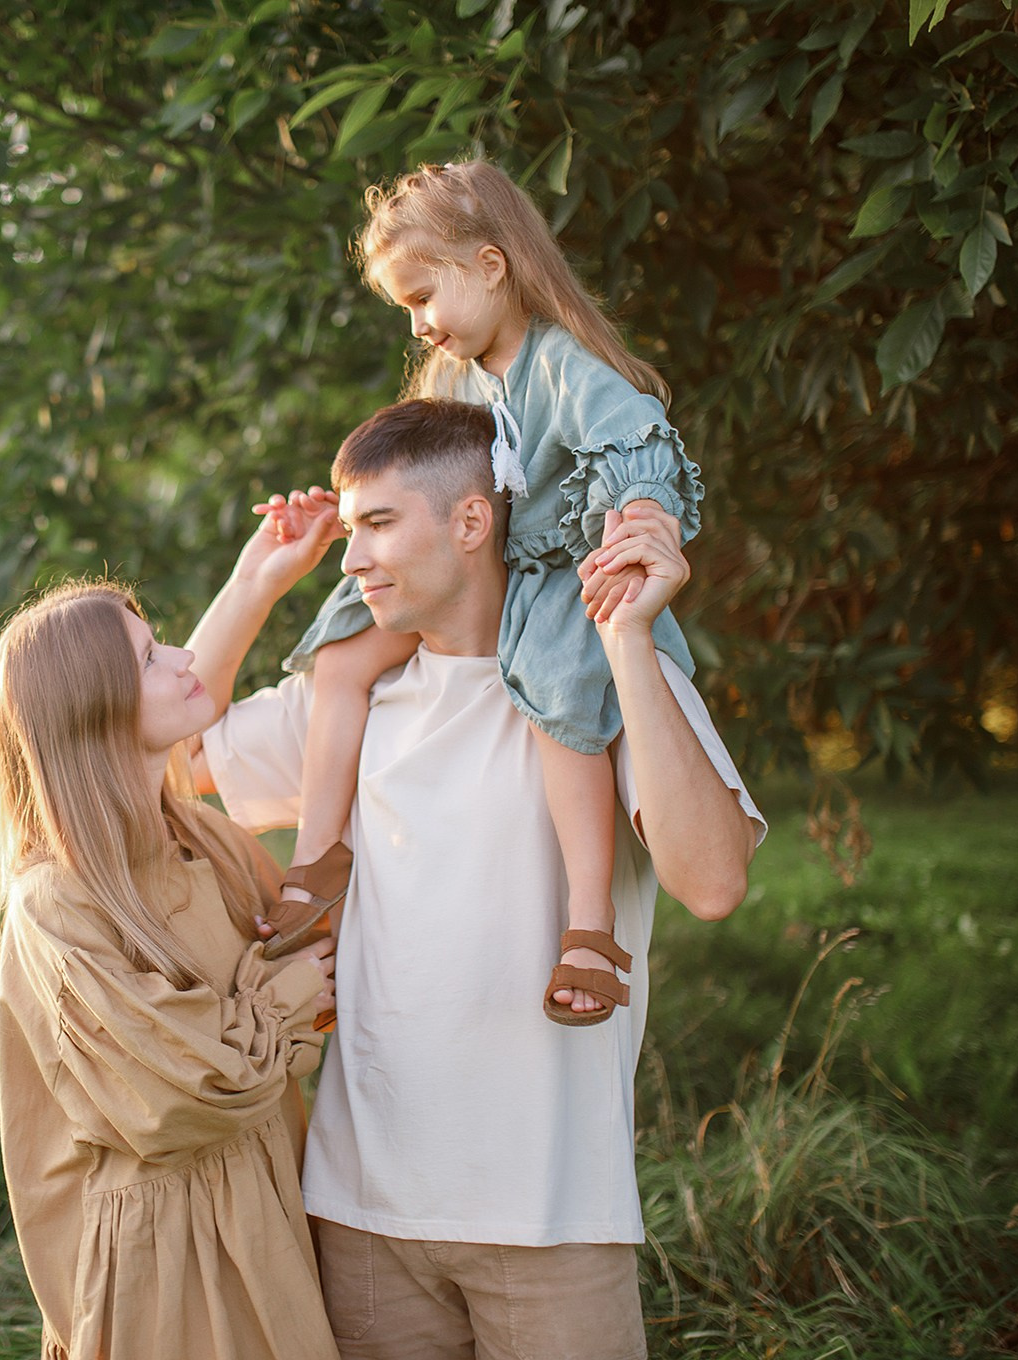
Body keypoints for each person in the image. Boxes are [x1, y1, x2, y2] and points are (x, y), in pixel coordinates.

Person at [185, 398, 763, 1358]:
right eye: (351, 528)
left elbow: (713, 884)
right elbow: (164, 752)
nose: (352, 559)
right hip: (363, 1218)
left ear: (469, 521)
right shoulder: (350, 696)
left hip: (551, 1218)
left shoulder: (598, 679)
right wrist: (255, 582)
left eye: (379, 524)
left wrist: (628, 639)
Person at [260, 160, 706, 1030]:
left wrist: (643, 515)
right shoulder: (455, 377)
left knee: (559, 697)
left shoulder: (562, 363)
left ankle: (589, 922)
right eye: (406, 308)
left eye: (424, 297)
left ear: (491, 265)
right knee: (342, 655)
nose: (418, 324)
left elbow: (635, 439)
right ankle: (318, 857)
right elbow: (417, 476)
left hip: (553, 575)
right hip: (473, 572)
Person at [0, 580, 342, 1360]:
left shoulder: (209, 839)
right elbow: (188, 1091)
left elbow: (317, 961)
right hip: (172, 1260)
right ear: (94, 708)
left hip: (273, 1205)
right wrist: (287, 998)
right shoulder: (57, 901)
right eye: (149, 658)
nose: (183, 659)